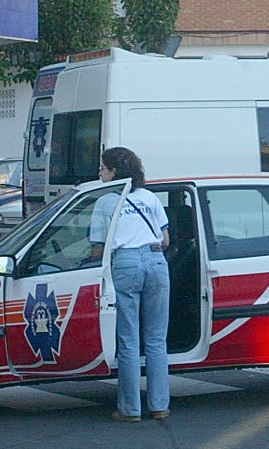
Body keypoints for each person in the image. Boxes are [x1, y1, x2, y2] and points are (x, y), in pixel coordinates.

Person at [88, 147, 171, 423]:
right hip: (157, 262)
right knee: (157, 340)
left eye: (103, 168)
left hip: (125, 264)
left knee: (128, 340)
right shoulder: (150, 198)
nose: (100, 172)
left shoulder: (105, 203)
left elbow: (98, 249)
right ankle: (160, 406)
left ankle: (130, 409)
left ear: (114, 172)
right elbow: (166, 240)